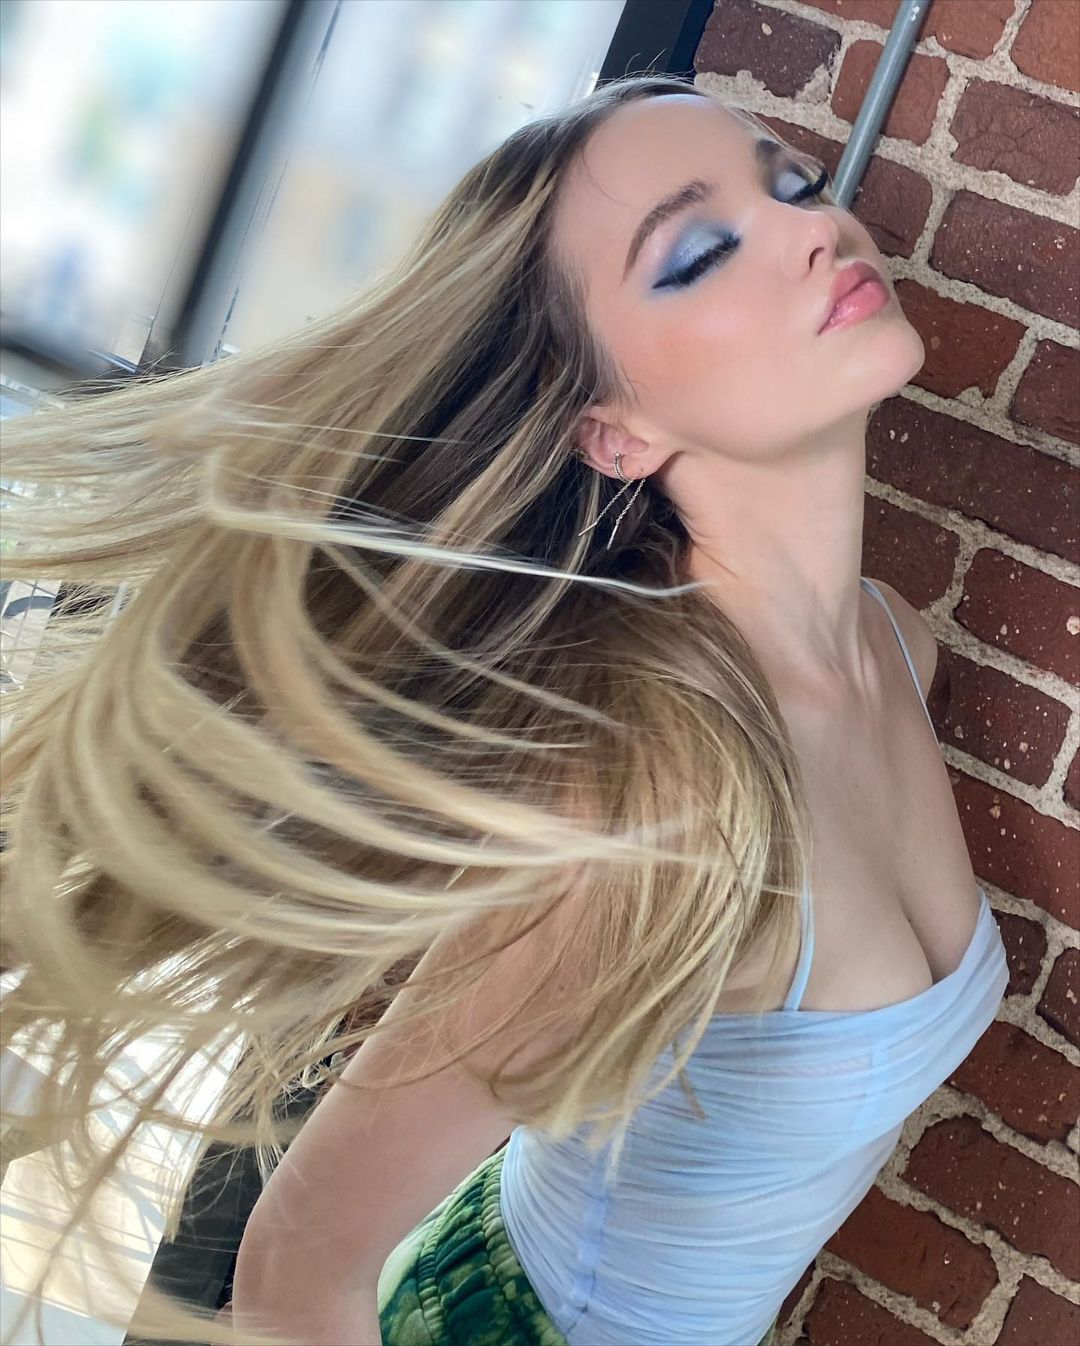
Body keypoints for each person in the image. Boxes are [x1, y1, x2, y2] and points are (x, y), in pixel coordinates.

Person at [0, 74, 1009, 1346]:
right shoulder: (654, 808)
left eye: (793, 182)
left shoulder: (892, 644)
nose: (816, 228)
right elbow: (293, 1272)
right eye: (699, 253)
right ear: (614, 430)